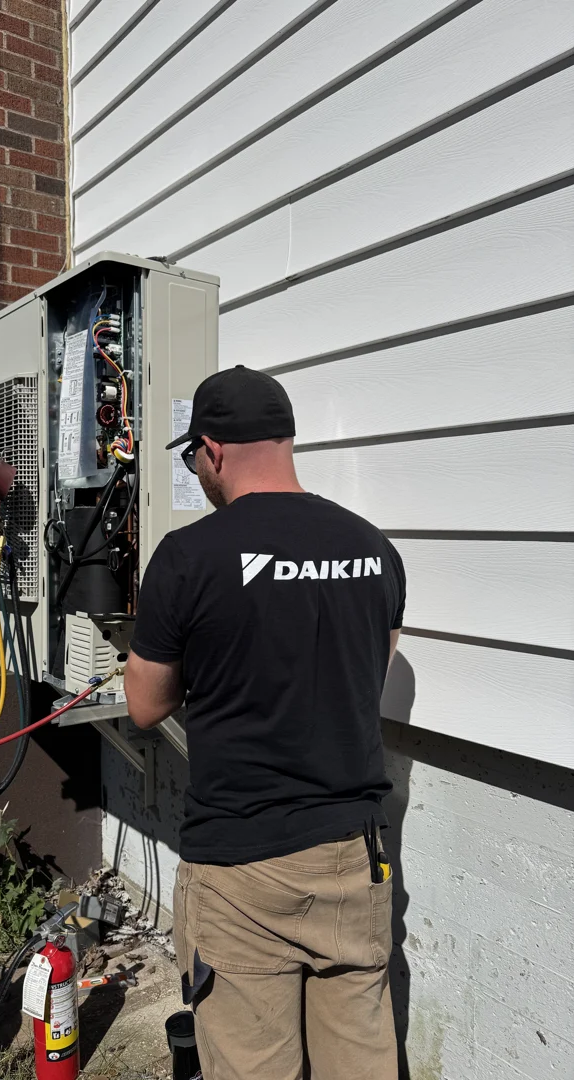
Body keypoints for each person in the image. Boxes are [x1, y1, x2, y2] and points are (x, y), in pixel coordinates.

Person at [123, 365, 405, 1080]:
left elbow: (145, 704)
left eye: (193, 458)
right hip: (353, 857)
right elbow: (370, 671)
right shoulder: (375, 550)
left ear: (212, 450)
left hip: (242, 866)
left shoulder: (189, 557)